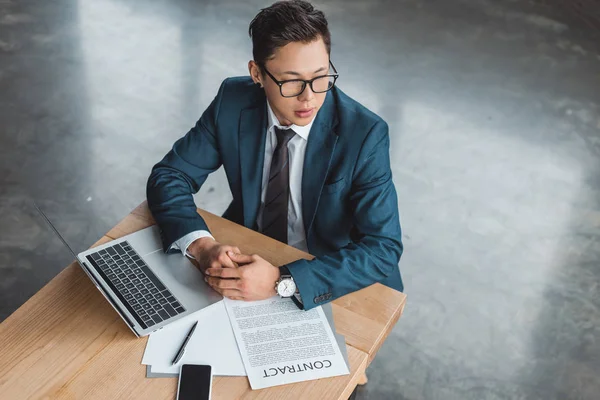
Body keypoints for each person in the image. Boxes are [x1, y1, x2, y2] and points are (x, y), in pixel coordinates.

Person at [146, 0, 403, 311]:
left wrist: (282, 282)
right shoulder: (233, 101)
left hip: (330, 274)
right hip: (248, 251)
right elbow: (171, 175)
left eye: (321, 76)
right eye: (291, 81)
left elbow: (383, 247)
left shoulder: (365, 134)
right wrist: (202, 247)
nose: (309, 97)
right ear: (257, 73)